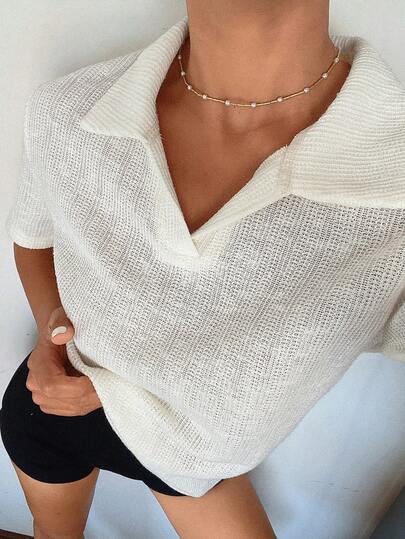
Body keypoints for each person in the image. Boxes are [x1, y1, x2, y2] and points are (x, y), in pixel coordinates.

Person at [1, 1, 405, 538]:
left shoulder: (391, 185)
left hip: (189, 463)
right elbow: (34, 237)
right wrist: (49, 331)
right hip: (54, 404)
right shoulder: (71, 109)